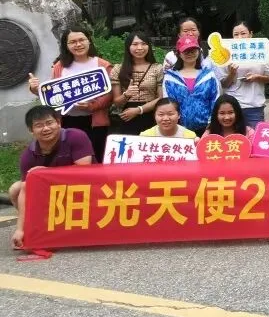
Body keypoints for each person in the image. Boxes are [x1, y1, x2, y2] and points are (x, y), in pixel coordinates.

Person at [9, 105, 94, 249]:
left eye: (49, 123)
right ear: (31, 130)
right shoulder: (28, 156)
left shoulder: (76, 136)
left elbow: (84, 171)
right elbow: (25, 190)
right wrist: (20, 229)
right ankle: (33, 227)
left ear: (59, 123)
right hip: (53, 193)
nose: (46, 128)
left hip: (82, 189)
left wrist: (46, 173)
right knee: (15, 189)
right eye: (39, 125)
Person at [27, 24, 112, 162]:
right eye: (72, 42)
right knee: (70, 158)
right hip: (68, 120)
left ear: (89, 41)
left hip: (95, 122)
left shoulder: (102, 65)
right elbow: (52, 95)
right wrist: (36, 89)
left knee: (96, 158)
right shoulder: (59, 66)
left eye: (81, 40)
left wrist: (92, 106)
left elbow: (110, 95)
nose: (78, 44)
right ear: (66, 45)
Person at [216, 21, 269, 129]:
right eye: (236, 34)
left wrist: (257, 77)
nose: (240, 37)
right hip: (232, 106)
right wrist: (231, 74)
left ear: (251, 34)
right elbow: (223, 84)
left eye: (243, 33)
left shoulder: (261, 52)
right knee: (234, 138)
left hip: (255, 106)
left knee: (255, 137)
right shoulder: (225, 54)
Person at [161, 34, 220, 135]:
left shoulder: (208, 75)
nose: (190, 54)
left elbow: (215, 99)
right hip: (179, 129)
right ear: (178, 53)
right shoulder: (170, 77)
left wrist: (211, 124)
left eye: (193, 50)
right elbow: (168, 102)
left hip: (206, 128)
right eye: (186, 51)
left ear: (199, 51)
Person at [110, 29, 164, 136]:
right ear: (128, 47)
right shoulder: (118, 69)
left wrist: (139, 110)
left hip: (150, 115)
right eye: (135, 44)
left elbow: (160, 98)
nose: (139, 48)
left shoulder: (157, 68)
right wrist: (127, 94)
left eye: (143, 44)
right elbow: (116, 102)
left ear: (148, 46)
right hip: (127, 116)